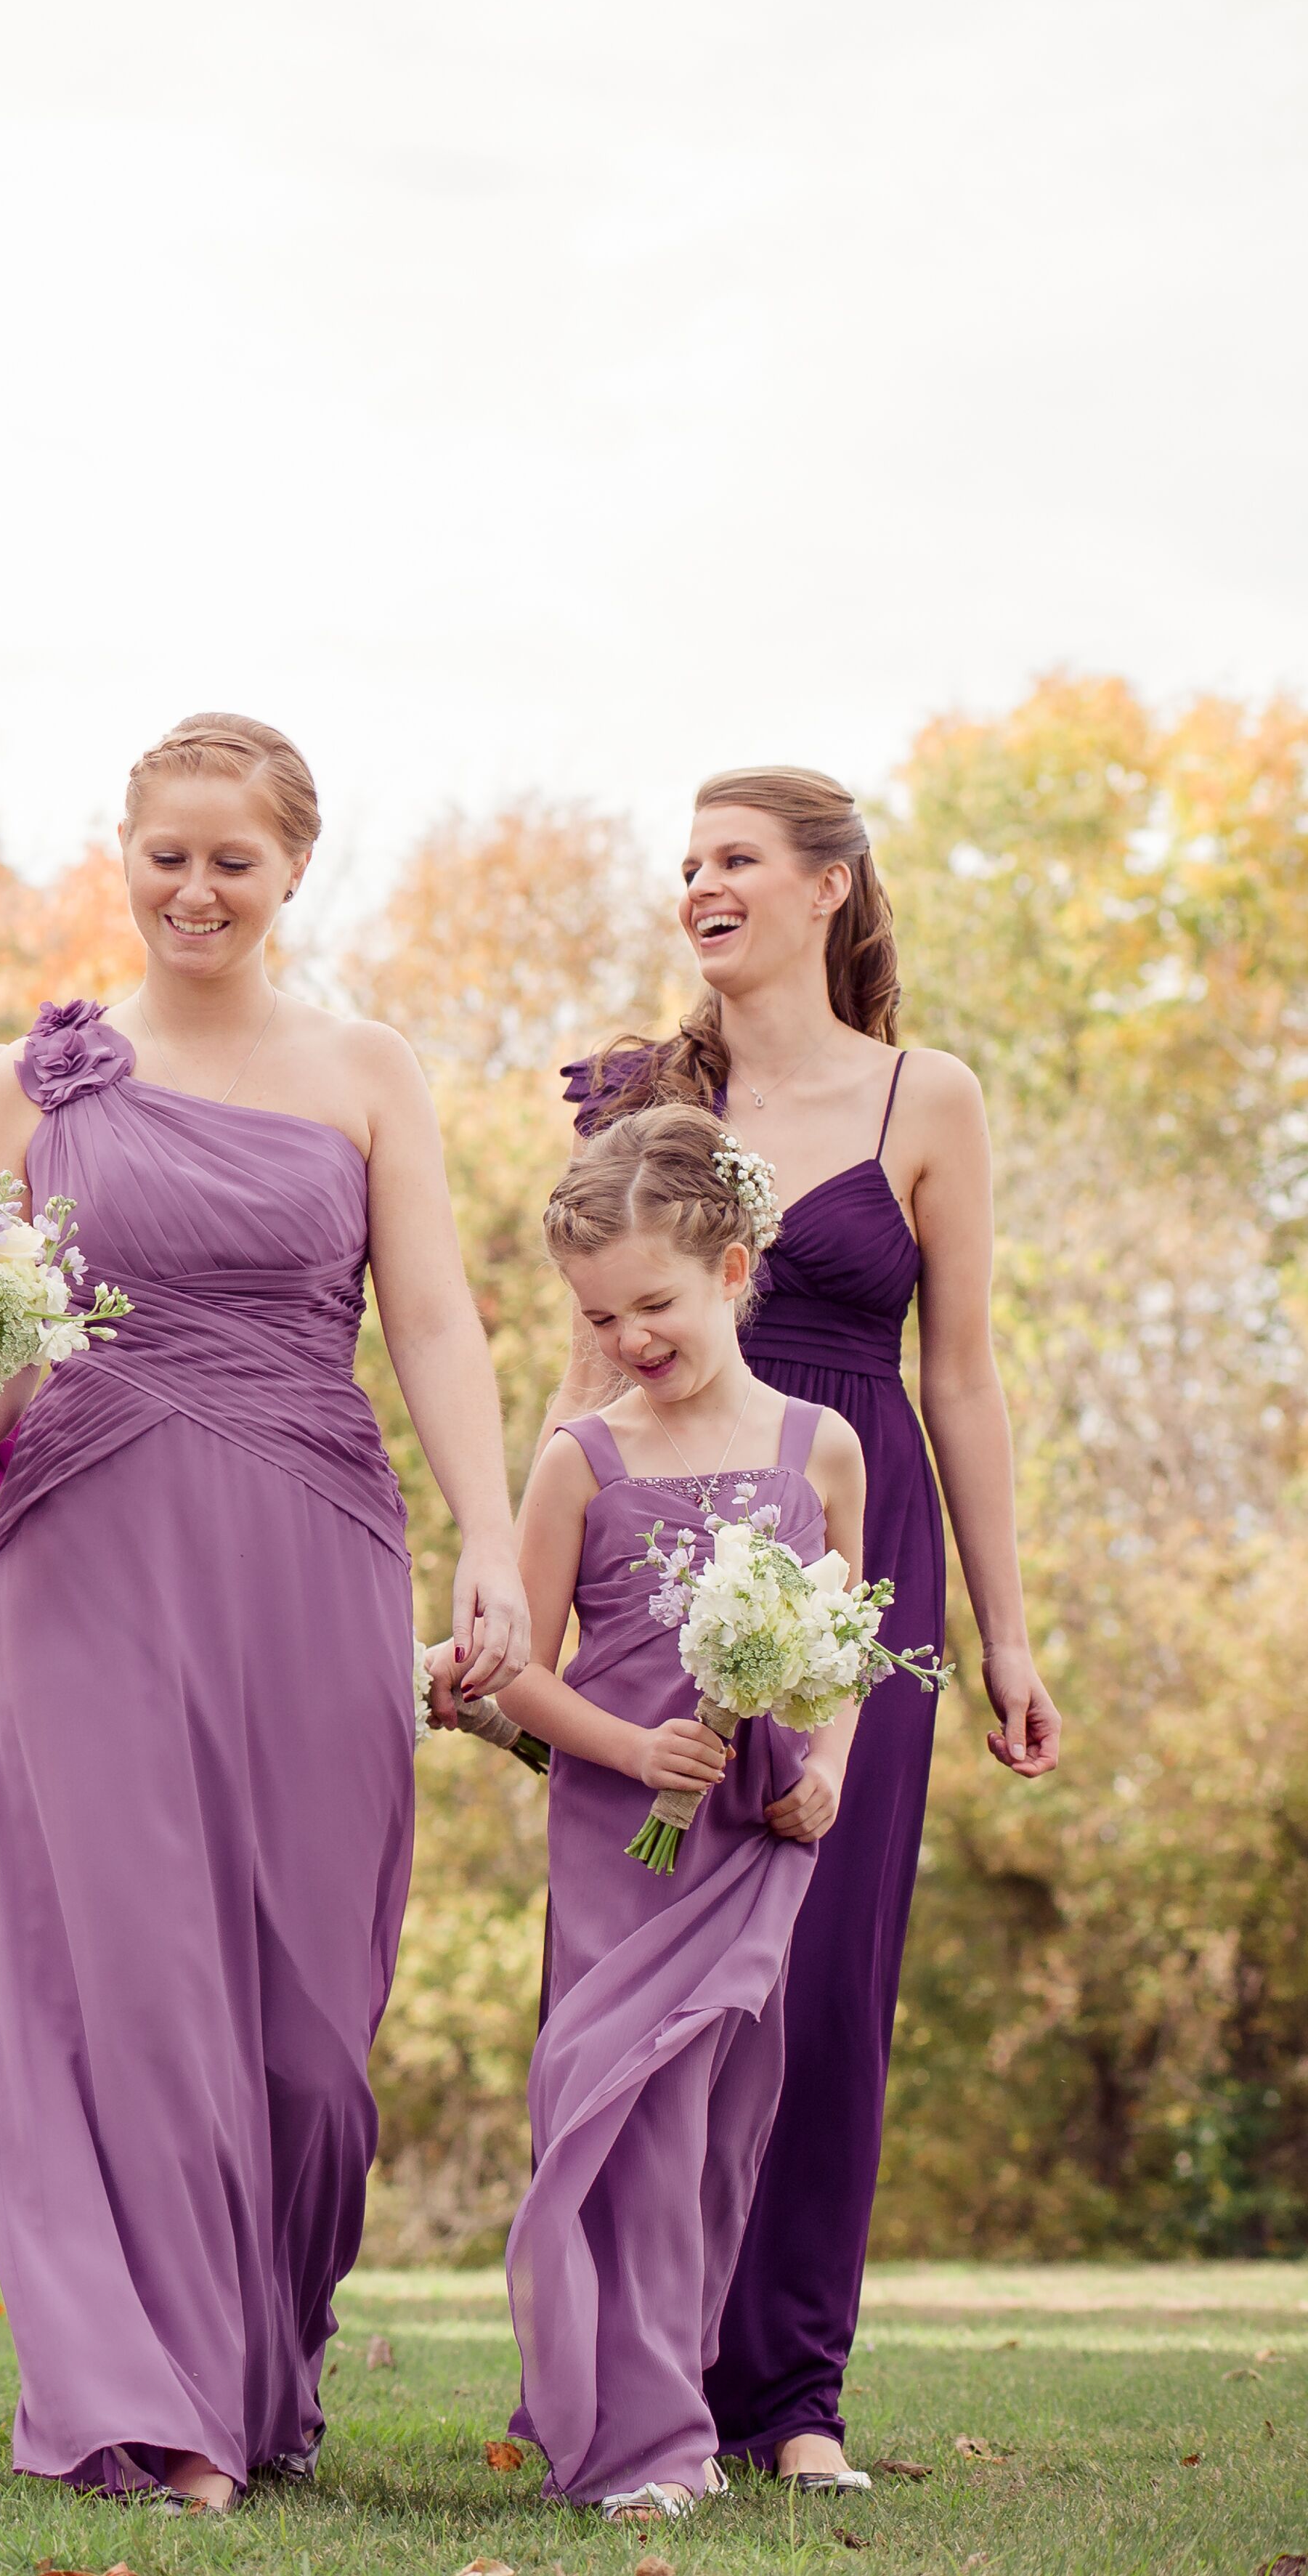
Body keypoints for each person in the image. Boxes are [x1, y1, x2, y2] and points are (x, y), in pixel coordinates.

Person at [0, 712, 524, 2515]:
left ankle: (257, 2358)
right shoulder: (41, 1078)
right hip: (88, 1539)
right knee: (132, 1973)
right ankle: (145, 2399)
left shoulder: (368, 1068)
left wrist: (491, 1536)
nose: (194, 888)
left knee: (311, 2037)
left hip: (315, 1533)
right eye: (164, 853)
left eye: (231, 859)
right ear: (124, 850)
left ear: (294, 869)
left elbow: (434, 1320)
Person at [560, 765, 1062, 2490]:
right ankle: (640, 2376)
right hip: (658, 1547)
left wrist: (1004, 1631)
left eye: (738, 858)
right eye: (687, 859)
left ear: (833, 885)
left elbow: (968, 1374)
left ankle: (794, 2394)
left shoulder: (929, 1093)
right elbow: (584, 1356)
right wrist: (534, 1583)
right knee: (650, 1966)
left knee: (821, 1965)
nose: (701, 883)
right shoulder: (641, 1095)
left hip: (857, 1541)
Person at [471, 1108, 867, 2522]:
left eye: (656, 1302)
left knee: (711, 2128)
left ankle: (653, 2385)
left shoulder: (824, 1450)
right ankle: (646, 2440)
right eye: (601, 1311)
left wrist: (821, 1764)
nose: (631, 1333)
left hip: (751, 1843)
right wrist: (634, 1747)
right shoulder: (584, 1455)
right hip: (619, 1837)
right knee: (620, 2116)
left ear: (735, 1268)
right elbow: (514, 1668)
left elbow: (845, 1656)